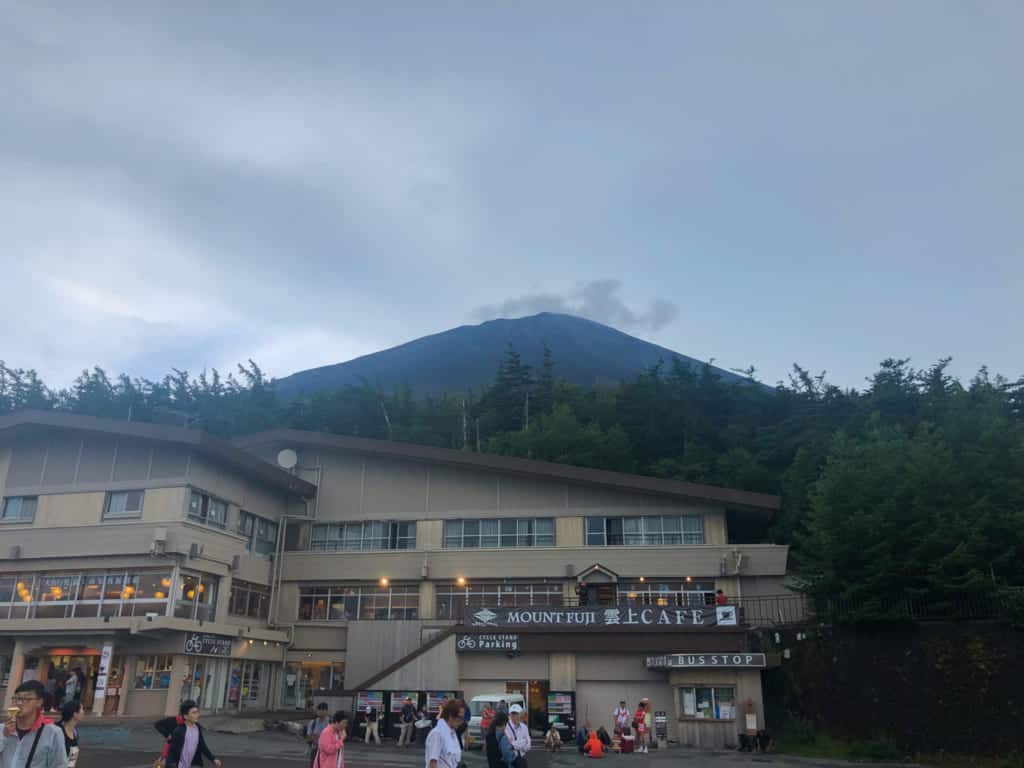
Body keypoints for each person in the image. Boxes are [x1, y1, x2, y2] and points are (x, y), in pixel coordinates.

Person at [1, 680, 68, 768]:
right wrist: (3, 737)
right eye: (16, 698)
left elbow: (59, 765)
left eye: (27, 699)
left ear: (39, 702)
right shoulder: (2, 729)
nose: (19, 703)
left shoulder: (53, 733)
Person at [165, 700, 221, 768]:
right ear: (185, 716)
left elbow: (202, 745)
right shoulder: (179, 731)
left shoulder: (197, 728)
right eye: (194, 713)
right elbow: (172, 752)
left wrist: (213, 759)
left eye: (197, 712)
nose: (197, 715)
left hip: (193, 764)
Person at [425, 699, 463, 768]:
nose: (461, 722)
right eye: (460, 717)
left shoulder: (452, 733)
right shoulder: (437, 733)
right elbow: (433, 763)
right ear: (451, 716)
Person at [55, 701, 83, 768]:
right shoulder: (55, 730)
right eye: (82, 709)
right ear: (75, 714)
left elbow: (72, 761)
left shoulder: (75, 733)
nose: (83, 712)